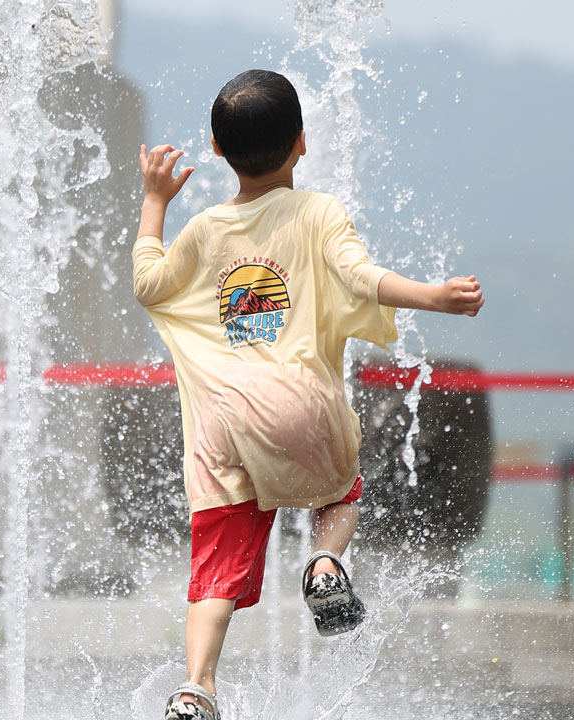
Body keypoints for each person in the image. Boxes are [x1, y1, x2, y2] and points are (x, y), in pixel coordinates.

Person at [131, 70, 484, 720]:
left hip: (224, 423)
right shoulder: (319, 212)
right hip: (303, 405)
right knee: (339, 493)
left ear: (214, 147)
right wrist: (432, 296)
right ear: (302, 142)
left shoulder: (206, 229)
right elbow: (361, 275)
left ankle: (197, 687)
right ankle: (324, 563)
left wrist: (155, 200)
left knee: (215, 565)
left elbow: (150, 286)